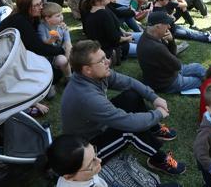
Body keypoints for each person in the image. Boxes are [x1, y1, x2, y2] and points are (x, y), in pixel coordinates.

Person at [61, 40, 186, 175]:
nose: (108, 61)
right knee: (129, 130)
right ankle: (159, 160)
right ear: (87, 69)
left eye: (105, 56)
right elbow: (129, 123)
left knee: (131, 96)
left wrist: (154, 97)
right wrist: (158, 114)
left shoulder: (95, 75)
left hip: (98, 124)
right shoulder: (87, 97)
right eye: (102, 60)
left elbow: (129, 82)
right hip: (88, 147)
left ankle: (154, 128)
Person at [137, 12, 206, 93]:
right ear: (158, 26)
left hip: (164, 74)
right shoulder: (156, 47)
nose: (169, 26)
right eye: (166, 24)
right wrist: (171, 44)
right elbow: (177, 65)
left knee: (198, 67)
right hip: (166, 83)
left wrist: (171, 41)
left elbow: (172, 55)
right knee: (199, 81)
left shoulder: (148, 35)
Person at [81, 0, 139, 66]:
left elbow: (113, 30)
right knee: (147, 49)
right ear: (97, 0)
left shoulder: (97, 9)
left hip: (117, 40)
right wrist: (127, 39)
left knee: (144, 37)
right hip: (114, 47)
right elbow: (115, 39)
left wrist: (124, 32)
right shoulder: (103, 14)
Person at [37, 2, 72, 81]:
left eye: (61, 14)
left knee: (74, 54)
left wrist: (68, 58)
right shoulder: (42, 27)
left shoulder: (62, 27)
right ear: (47, 18)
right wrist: (51, 40)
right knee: (62, 60)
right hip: (48, 57)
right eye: (58, 16)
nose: (61, 17)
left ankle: (69, 77)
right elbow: (44, 42)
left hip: (61, 53)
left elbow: (68, 43)